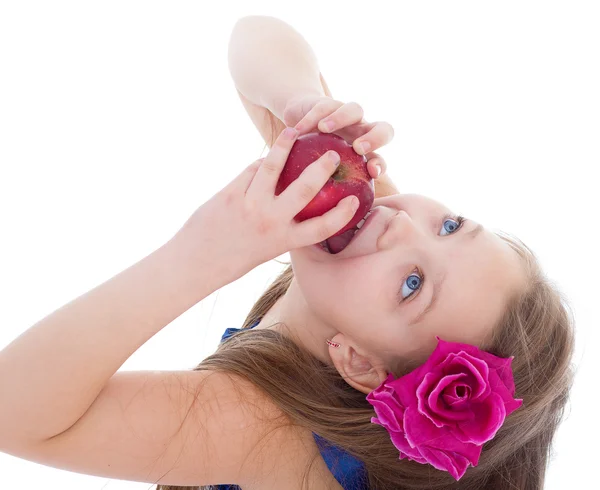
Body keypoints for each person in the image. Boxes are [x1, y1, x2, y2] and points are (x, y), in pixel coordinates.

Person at [0, 15, 575, 490]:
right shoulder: (379, 240)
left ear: (357, 362)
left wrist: (198, 259)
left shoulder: (266, 432)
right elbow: (255, 34)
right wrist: (299, 101)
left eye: (413, 285)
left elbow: (14, 413)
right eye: (451, 225)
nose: (402, 225)